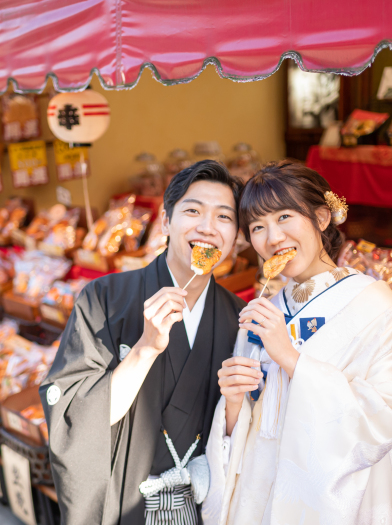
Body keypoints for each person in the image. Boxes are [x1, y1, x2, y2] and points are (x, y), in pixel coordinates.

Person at [203, 160, 392, 525]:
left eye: (285, 217)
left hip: (334, 496)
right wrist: (235, 403)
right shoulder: (264, 311)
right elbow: (252, 422)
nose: (272, 238)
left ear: (322, 218)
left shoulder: (373, 302)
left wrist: (291, 358)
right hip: (260, 491)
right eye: (258, 226)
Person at [40, 160, 246, 525]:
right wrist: (145, 349)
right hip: (122, 504)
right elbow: (75, 418)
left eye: (224, 218)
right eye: (193, 211)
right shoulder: (104, 298)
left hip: (203, 507)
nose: (207, 228)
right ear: (166, 222)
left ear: (237, 237)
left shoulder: (239, 319)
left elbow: (243, 436)